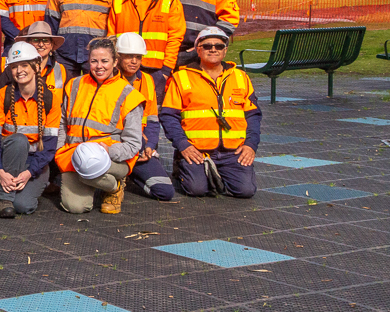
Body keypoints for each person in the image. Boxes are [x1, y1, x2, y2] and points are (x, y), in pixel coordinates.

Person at [161, 27, 260, 198]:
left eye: (219, 46)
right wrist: (183, 146)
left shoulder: (240, 77)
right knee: (197, 190)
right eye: (207, 46)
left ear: (225, 50)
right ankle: (184, 168)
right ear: (198, 50)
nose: (213, 49)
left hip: (233, 151)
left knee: (246, 191)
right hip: (197, 151)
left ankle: (216, 174)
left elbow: (253, 116)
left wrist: (250, 145)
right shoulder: (181, 77)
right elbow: (169, 116)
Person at [56, 38, 147, 215]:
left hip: (111, 158)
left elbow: (134, 144)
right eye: (94, 61)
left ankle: (114, 186)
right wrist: (60, 148)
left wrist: (109, 151)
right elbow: (62, 122)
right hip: (73, 154)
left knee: (89, 167)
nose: (99, 66)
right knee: (75, 207)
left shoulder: (129, 95)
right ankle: (93, 181)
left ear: (115, 62)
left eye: (105, 61)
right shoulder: (75, 84)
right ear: (88, 61)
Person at [0, 42, 62, 219]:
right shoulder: (2, 96)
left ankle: (10, 195)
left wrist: (28, 173)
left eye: (24, 65)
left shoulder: (50, 100)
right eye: (14, 66)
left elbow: (49, 147)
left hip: (34, 165)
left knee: (23, 206)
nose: (19, 71)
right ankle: (3, 199)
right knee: (19, 140)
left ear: (36, 66)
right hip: (7, 160)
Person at [108, 0, 185, 100]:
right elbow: (111, 38)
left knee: (151, 116)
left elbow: (175, 39)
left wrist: (166, 71)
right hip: (123, 70)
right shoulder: (119, 1)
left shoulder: (170, 2)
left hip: (156, 71)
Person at [116, 32, 175, 202]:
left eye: (138, 57)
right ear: (118, 57)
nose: (134, 61)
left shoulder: (147, 80)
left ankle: (132, 175)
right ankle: (119, 176)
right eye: (128, 56)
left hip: (139, 146)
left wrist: (149, 145)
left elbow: (152, 119)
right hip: (114, 145)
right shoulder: (108, 79)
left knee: (164, 192)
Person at [0, 22, 68, 94]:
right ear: (27, 44)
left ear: (52, 45)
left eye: (45, 40)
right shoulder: (13, 69)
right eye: (35, 40)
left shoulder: (62, 71)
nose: (41, 44)